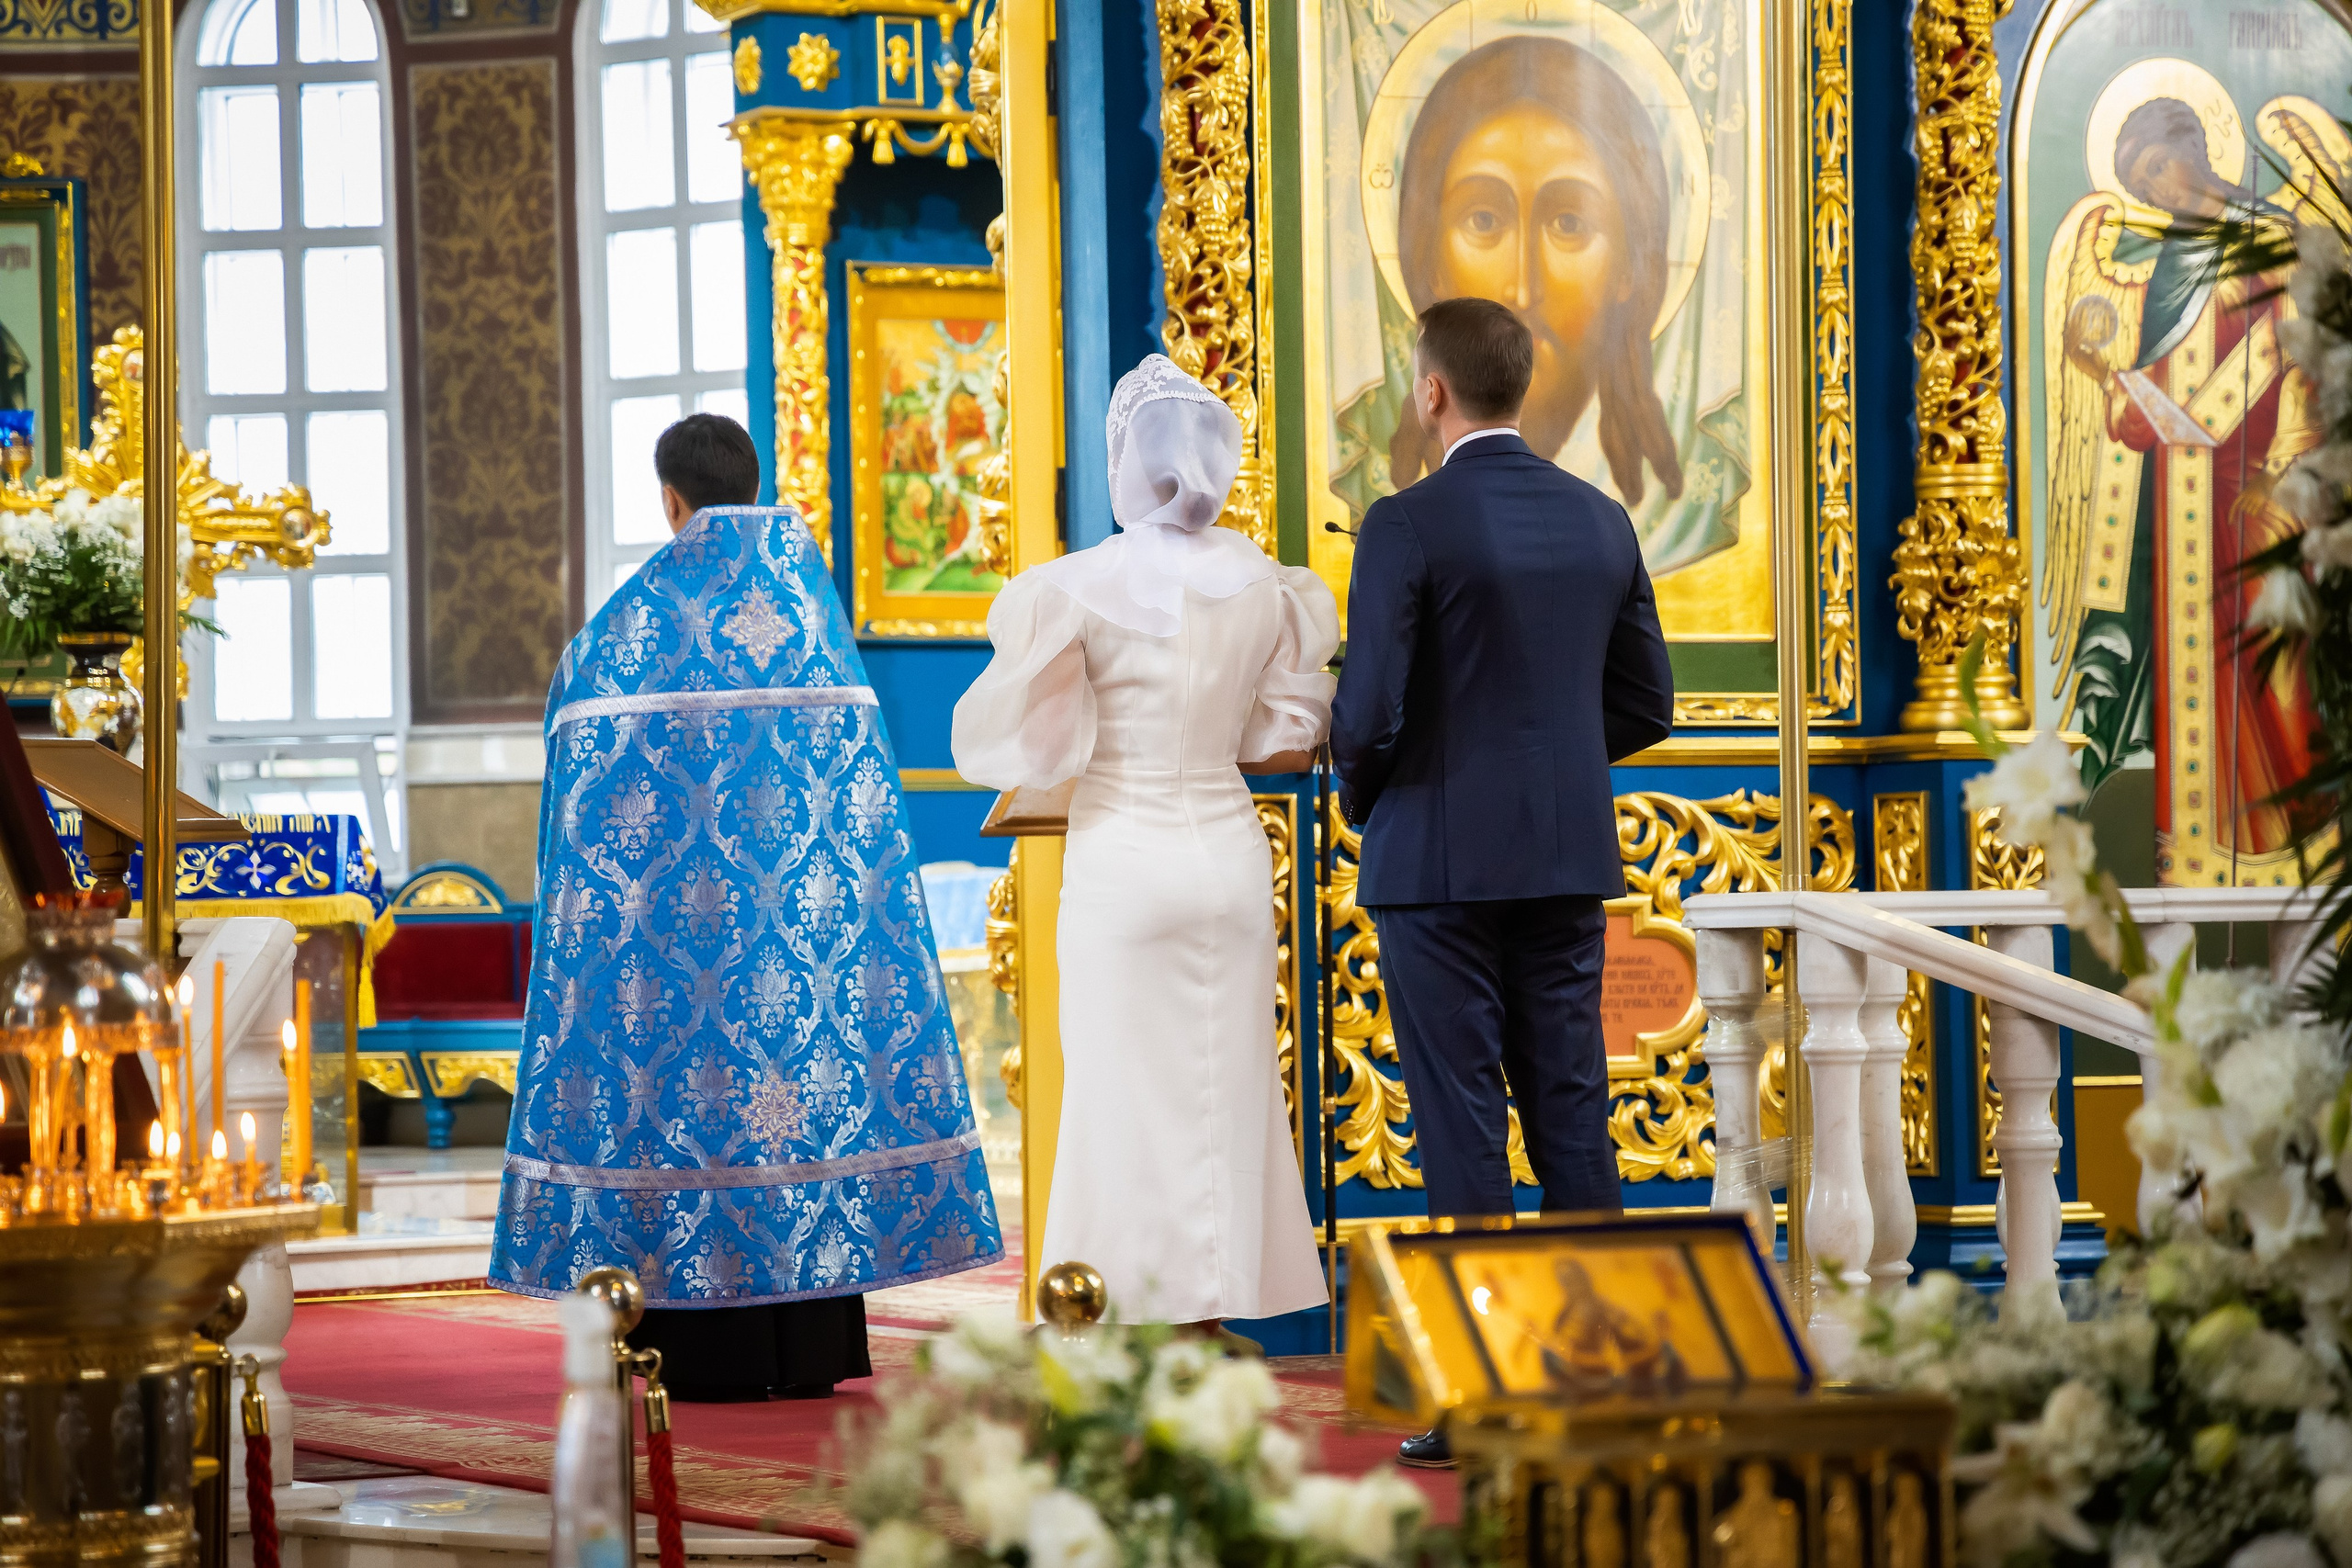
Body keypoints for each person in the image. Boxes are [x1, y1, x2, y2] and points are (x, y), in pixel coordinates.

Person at [490, 412, 1003, 1400]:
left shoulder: (626, 637)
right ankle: (807, 1348)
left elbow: (578, 781)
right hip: (795, 959)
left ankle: (695, 1350)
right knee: (792, 1106)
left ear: (670, 500)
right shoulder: (813, 629)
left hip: (672, 965)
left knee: (687, 1112)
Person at [1330, 297, 1673, 1466]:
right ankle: (1598, 1379)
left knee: (1462, 1122)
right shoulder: (1602, 519)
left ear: (1431, 391)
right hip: (1567, 855)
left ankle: (1480, 1394)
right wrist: (1556, 766)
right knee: (1572, 1109)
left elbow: (1368, 710)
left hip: (1434, 865)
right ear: (1516, 387)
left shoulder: (1405, 523)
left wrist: (1370, 793)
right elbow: (1647, 705)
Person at [951, 355, 1336, 1333]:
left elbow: (1031, 749)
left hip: (1122, 858)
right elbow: (1279, 740)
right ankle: (1210, 1317)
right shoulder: (1272, 587)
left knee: (1119, 1102)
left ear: (1127, 461)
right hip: (1230, 861)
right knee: (1228, 1092)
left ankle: (1116, 1320)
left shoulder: (1074, 588)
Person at [1385, 34, 1681, 503]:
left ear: (1629, 266)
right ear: (1431, 262)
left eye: (1569, 223)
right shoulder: (1380, 487)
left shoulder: (1679, 524)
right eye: (1483, 220)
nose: (1523, 290)